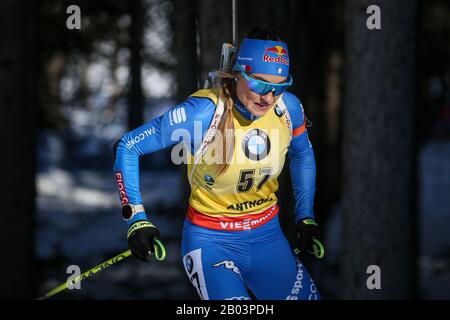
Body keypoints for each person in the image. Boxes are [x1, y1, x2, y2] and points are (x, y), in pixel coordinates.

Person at [113, 26, 324, 300]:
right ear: (239, 74)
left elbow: (302, 153)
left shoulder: (289, 108)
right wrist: (136, 219)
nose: (268, 98)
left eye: (279, 87)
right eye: (259, 84)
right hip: (211, 242)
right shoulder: (202, 113)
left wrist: (305, 216)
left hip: (267, 238)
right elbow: (128, 147)